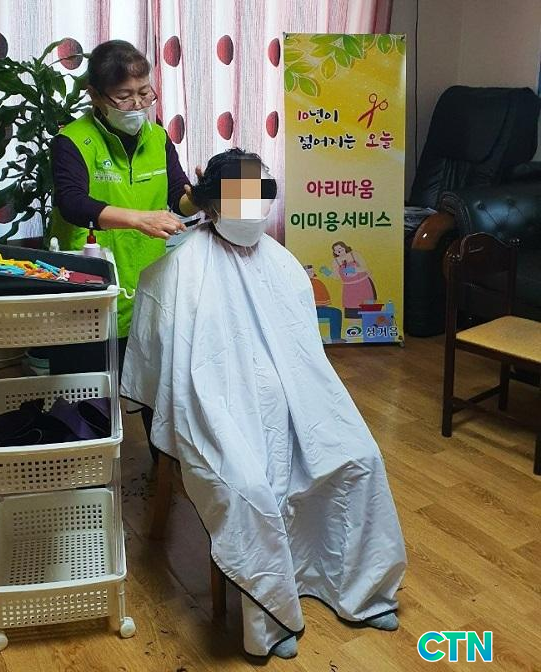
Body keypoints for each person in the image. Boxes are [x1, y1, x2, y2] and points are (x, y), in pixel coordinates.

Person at [120, 149, 406, 659]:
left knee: (358, 456)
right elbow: (163, 363)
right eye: (239, 200)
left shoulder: (284, 264)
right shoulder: (178, 268)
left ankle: (360, 589)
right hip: (218, 408)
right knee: (253, 486)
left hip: (299, 398)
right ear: (211, 205)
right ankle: (271, 612)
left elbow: (305, 355)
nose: (250, 212)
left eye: (258, 200)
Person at [49, 39, 199, 373]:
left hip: (146, 287)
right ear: (95, 95)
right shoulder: (72, 140)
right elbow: (72, 203)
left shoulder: (157, 138)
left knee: (146, 390)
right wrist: (139, 219)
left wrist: (202, 197)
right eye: (123, 96)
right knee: (85, 392)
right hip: (87, 287)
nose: (137, 105)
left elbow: (179, 199)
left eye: (144, 93)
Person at [331, 241, 377, 318]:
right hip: (349, 289)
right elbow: (337, 277)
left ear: (345, 247)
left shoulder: (355, 255)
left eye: (340, 248)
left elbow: (365, 268)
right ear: (335, 252)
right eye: (336, 250)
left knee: (368, 310)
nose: (339, 251)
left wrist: (354, 269)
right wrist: (328, 273)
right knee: (353, 312)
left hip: (363, 285)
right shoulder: (335, 261)